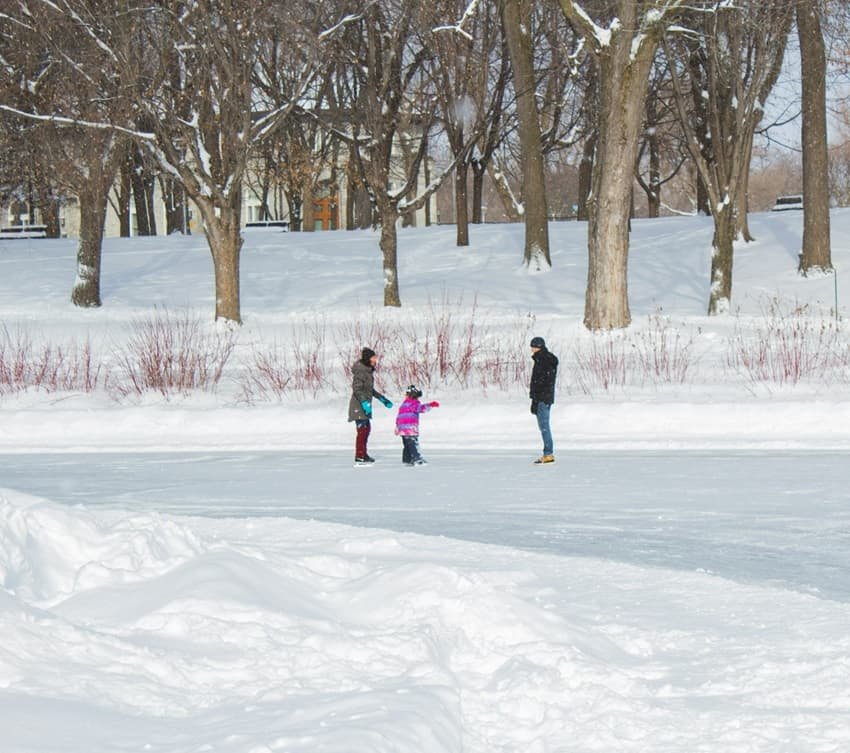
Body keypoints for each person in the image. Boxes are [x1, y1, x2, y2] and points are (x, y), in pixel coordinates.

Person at [348, 347, 393, 465]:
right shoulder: (360, 372)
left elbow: (369, 390)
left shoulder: (367, 371)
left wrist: (382, 399)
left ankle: (363, 454)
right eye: (374, 358)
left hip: (364, 405)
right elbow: (357, 389)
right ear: (368, 359)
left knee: (366, 430)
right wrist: (364, 403)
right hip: (358, 406)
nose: (376, 360)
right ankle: (359, 456)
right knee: (362, 430)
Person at [529, 336, 558, 464]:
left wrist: (536, 398)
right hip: (544, 397)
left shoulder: (542, 360)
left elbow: (540, 382)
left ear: (538, 347)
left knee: (544, 426)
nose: (532, 349)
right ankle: (548, 453)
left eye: (533, 347)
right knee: (543, 426)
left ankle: (548, 453)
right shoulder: (544, 359)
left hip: (542, 398)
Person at [394, 385, 439, 465]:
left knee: (407, 445)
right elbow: (421, 408)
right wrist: (431, 405)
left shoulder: (403, 404)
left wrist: (397, 427)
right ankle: (416, 458)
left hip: (402, 429)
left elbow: (399, 416)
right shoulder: (414, 403)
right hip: (410, 428)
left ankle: (407, 459)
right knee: (413, 443)